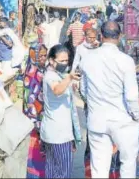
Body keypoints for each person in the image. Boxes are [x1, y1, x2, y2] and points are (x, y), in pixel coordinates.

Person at [80, 21, 139, 178]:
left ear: (101, 35)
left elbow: (83, 91)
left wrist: (94, 104)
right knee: (128, 163)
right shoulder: (126, 61)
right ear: (119, 37)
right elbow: (132, 95)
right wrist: (136, 115)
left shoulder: (87, 59)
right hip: (122, 121)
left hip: (97, 120)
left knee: (99, 168)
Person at [40, 44, 81, 178]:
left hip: (56, 133)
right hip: (58, 135)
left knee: (52, 172)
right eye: (61, 61)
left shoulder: (59, 74)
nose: (64, 63)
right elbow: (57, 90)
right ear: (51, 60)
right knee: (63, 173)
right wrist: (69, 78)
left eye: (66, 60)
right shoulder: (50, 76)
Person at [22, 43, 48, 178]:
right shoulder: (32, 73)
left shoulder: (42, 70)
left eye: (45, 55)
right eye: (40, 55)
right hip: (34, 121)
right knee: (35, 153)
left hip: (42, 117)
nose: (43, 58)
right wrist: (36, 122)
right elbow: (29, 101)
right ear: (33, 55)